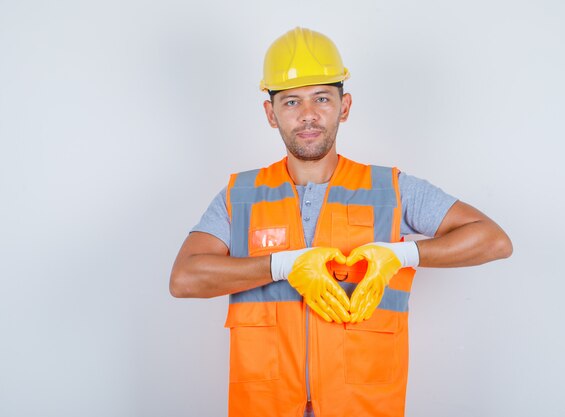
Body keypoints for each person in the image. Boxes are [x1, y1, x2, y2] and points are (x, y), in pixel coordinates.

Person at [170, 27, 513, 417]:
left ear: (344, 106)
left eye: (322, 98)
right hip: (265, 407)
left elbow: (493, 240)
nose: (308, 115)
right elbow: (184, 278)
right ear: (270, 114)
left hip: (364, 407)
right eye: (291, 102)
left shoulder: (391, 189)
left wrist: (398, 255)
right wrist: (283, 266)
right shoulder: (241, 195)